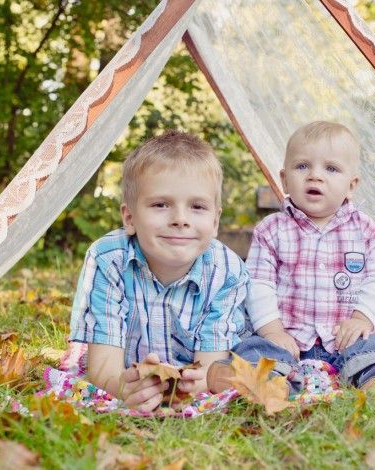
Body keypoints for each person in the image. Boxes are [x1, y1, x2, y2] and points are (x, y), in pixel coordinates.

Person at [208, 121, 375, 394]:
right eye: (302, 166)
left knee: (369, 348)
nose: (315, 176)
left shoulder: (365, 229)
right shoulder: (272, 229)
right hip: (287, 336)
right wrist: (272, 330)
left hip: (342, 336)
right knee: (256, 348)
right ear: (284, 179)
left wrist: (362, 319)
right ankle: (266, 382)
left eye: (331, 168)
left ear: (351, 185)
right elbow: (259, 284)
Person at [68, 130, 253, 412]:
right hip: (127, 369)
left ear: (215, 222)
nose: (180, 219)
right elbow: (103, 367)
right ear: (130, 217)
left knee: (257, 361)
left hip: (195, 370)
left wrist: (193, 386)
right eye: (160, 205)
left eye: (197, 207)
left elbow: (206, 369)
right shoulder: (109, 259)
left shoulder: (226, 270)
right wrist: (122, 387)